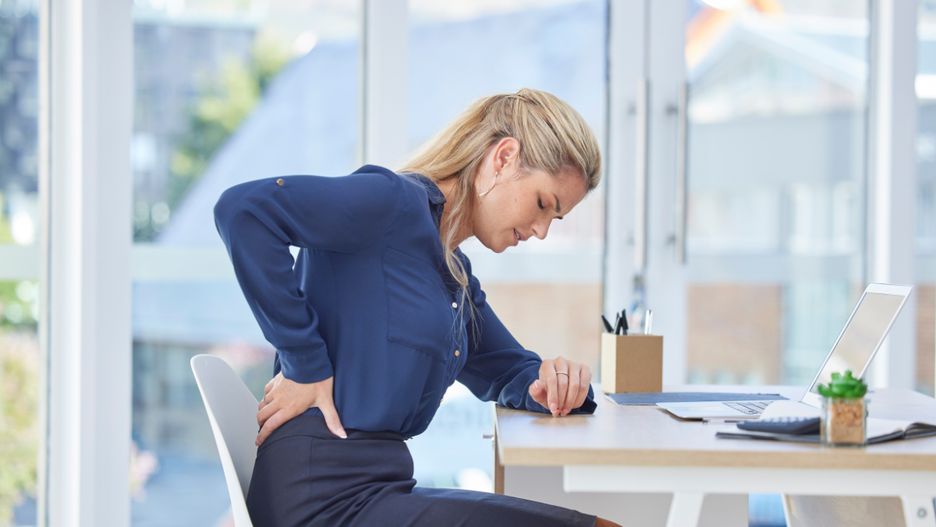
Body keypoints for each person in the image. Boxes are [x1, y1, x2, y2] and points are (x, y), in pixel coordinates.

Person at [213, 88, 621, 527]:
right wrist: (304, 363)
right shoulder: (388, 203)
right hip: (317, 498)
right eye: (542, 204)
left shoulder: (454, 277)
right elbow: (244, 211)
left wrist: (558, 382)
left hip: (380, 492)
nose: (541, 231)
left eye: (554, 219)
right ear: (503, 158)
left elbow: (507, 370)